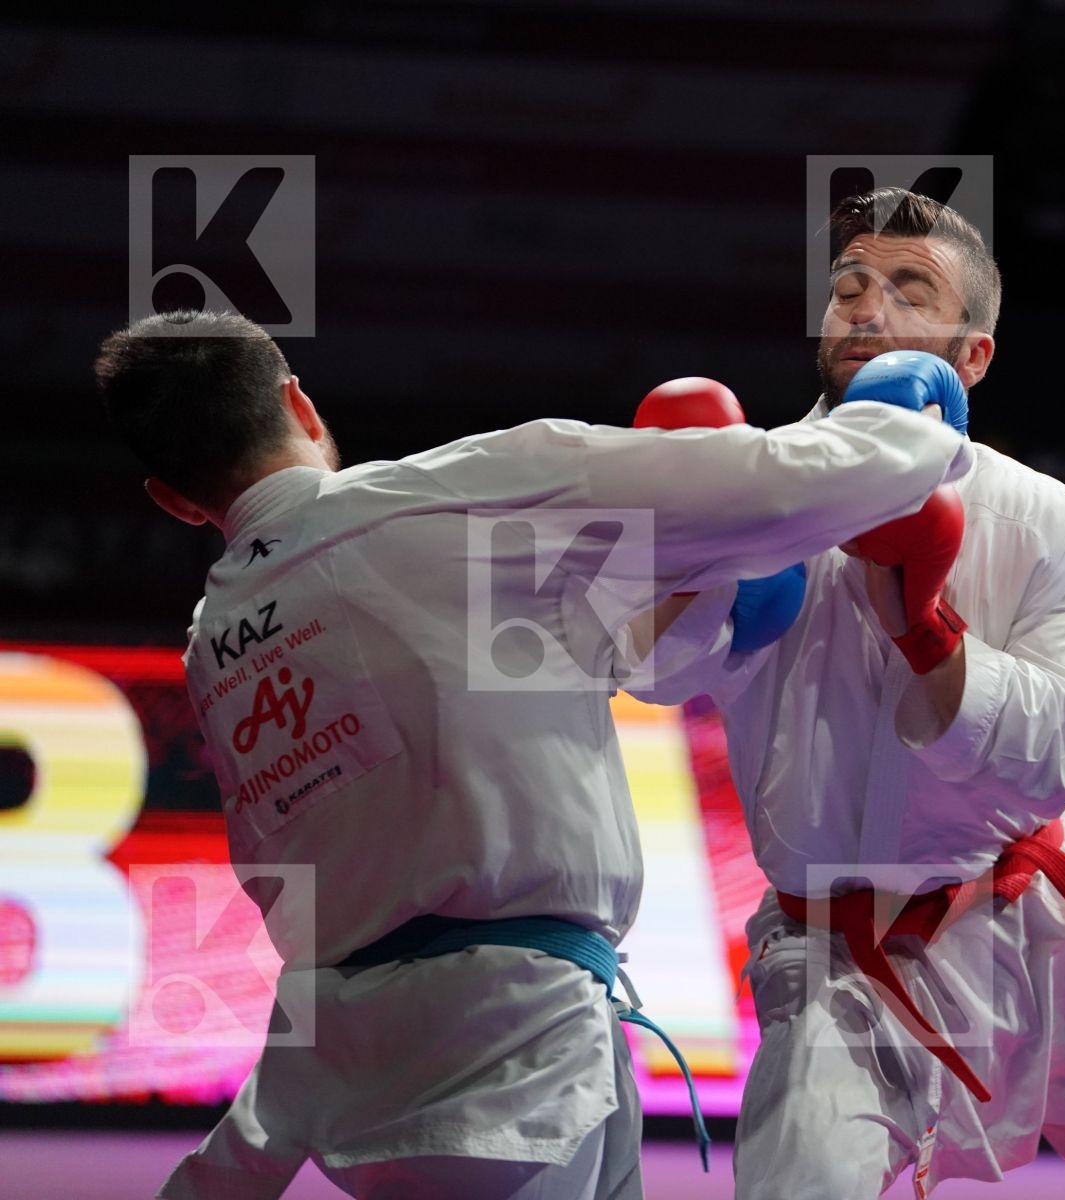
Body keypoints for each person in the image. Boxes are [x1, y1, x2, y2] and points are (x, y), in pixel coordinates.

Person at [92, 308, 972, 1200]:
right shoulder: (455, 497)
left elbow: (522, 665)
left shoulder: (212, 643)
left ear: (174, 498)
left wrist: (708, 605)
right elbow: (787, 487)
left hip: (383, 1059)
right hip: (506, 1050)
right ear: (300, 403)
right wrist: (903, 418)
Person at [631, 189, 1065, 1198]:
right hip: (844, 959)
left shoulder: (1043, 516)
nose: (866, 306)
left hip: (1040, 928)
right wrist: (693, 566)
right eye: (848, 285)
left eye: (908, 289)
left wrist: (929, 633)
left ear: (972, 357)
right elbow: (657, 674)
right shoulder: (751, 487)